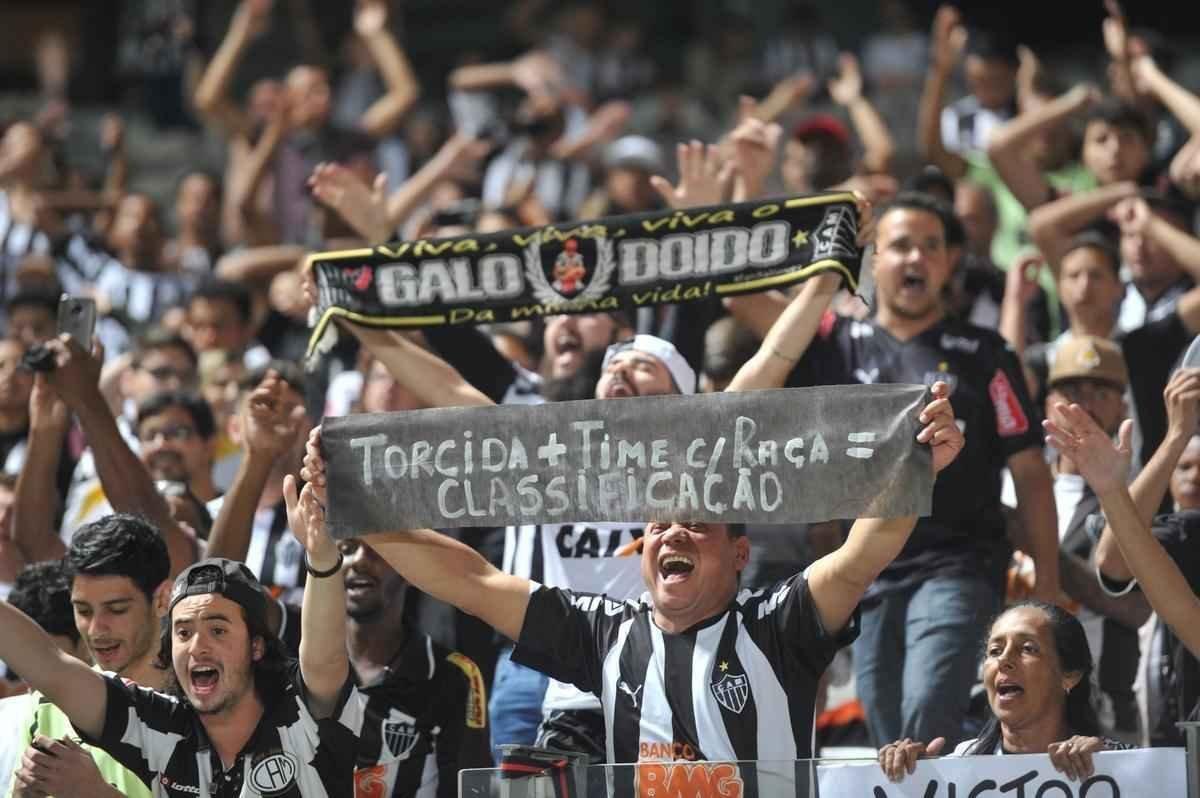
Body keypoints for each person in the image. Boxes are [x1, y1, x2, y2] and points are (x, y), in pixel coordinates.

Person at [299, 380, 964, 771]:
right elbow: (468, 578)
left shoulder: (778, 621)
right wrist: (359, 512)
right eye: (657, 525)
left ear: (740, 554)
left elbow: (861, 556)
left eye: (697, 524)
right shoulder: (603, 632)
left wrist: (917, 468)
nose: (672, 533)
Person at [738, 191, 1059, 748]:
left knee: (925, 718)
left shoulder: (985, 352)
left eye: (931, 246)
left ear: (949, 261)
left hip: (959, 566)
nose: (916, 258)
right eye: (901, 245)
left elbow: (1030, 471)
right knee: (892, 741)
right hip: (864, 573)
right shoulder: (835, 344)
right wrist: (823, 272)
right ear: (873, 259)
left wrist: (1049, 589)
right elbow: (745, 353)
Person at [0, 470, 363, 796]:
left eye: (218, 630)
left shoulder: (302, 712)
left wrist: (320, 557)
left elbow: (325, 654)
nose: (198, 647)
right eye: (184, 632)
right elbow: (50, 666)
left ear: (256, 645)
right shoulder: (159, 728)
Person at [7, 515, 172, 798]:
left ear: (162, 600)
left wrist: (94, 792)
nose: (96, 629)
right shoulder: (46, 706)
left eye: (117, 609)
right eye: (83, 611)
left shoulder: (205, 704)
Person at [878, 601, 1131, 784]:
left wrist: (1111, 766)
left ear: (1070, 675)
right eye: (995, 651)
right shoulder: (960, 768)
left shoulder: (1114, 761)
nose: (1004, 661)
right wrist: (912, 778)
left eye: (1028, 648)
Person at [341, 536, 491, 797]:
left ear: (411, 569)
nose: (360, 560)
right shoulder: (294, 649)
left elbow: (471, 791)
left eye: (378, 548)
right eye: (347, 549)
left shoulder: (454, 677)